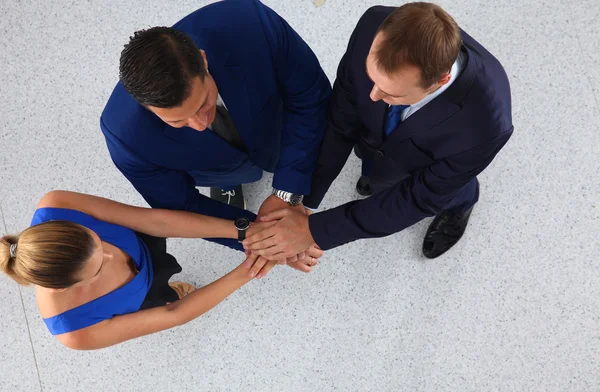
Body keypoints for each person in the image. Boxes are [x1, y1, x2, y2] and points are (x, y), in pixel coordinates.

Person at [243, 2, 513, 262]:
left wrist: (313, 230)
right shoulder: (372, 24)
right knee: (377, 165)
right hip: (378, 144)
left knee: (452, 190)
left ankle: (461, 206)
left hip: (437, 171)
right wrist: (301, 201)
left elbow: (417, 198)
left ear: (439, 81)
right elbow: (341, 120)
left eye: (391, 93)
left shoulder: (486, 125)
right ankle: (377, 173)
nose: (372, 96)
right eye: (372, 80)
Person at [100, 0, 331, 258]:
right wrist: (263, 241)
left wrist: (287, 191)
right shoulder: (125, 137)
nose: (200, 125)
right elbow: (180, 205)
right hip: (212, 165)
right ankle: (232, 177)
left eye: (203, 103)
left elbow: (310, 98)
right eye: (177, 121)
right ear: (145, 107)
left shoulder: (251, 25)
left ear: (203, 60)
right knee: (231, 172)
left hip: (272, 129)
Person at [0, 191, 322, 350]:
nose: (114, 257)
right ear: (61, 289)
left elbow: (155, 222)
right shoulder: (74, 330)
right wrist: (249, 269)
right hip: (142, 300)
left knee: (156, 259)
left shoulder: (57, 205)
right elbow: (173, 315)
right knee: (168, 296)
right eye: (98, 269)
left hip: (145, 240)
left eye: (99, 241)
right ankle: (175, 285)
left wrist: (244, 232)